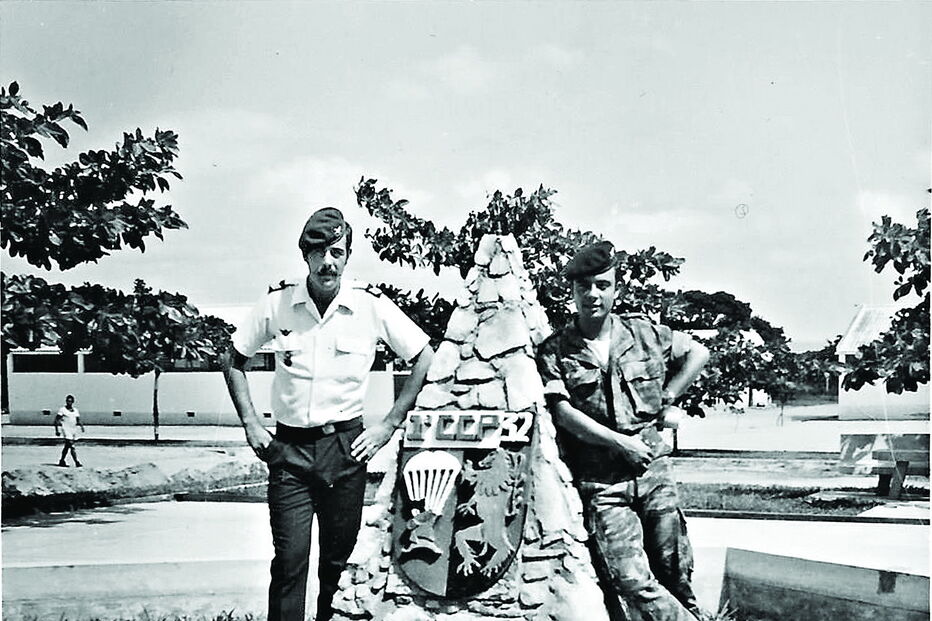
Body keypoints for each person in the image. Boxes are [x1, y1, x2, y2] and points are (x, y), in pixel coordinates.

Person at [223, 207, 433, 621]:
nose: (328, 262)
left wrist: (389, 424)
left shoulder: (370, 306)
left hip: (345, 450)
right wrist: (251, 423)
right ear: (305, 257)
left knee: (338, 567)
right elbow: (233, 359)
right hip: (290, 452)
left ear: (348, 255)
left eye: (336, 252)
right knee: (289, 562)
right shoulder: (278, 304)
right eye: (318, 253)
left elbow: (425, 356)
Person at [535, 241, 710, 621]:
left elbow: (698, 353)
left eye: (602, 285)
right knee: (630, 579)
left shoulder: (644, 333)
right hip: (603, 484)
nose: (592, 295)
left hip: (653, 473)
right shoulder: (555, 351)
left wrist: (669, 395)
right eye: (584, 287)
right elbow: (562, 412)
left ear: (617, 289)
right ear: (573, 292)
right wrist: (619, 443)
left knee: (675, 572)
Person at [54, 394, 85, 467]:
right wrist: (57, 430)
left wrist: (81, 426)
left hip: (73, 430)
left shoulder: (75, 410)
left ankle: (62, 460)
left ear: (72, 402)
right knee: (71, 445)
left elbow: (78, 420)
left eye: (70, 401)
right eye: (68, 401)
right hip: (66, 429)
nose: (69, 403)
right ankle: (77, 462)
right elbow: (56, 420)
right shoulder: (62, 410)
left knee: (67, 446)